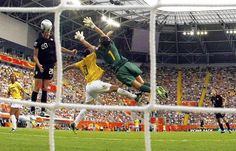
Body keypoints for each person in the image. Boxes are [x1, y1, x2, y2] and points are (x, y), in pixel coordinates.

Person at [74, 17, 168, 99]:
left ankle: (155, 90)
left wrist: (81, 39)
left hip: (120, 71)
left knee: (138, 86)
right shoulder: (111, 45)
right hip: (128, 64)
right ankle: (156, 87)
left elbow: (89, 46)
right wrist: (93, 26)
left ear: (100, 43)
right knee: (142, 83)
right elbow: (103, 34)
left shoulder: (99, 51)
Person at [63, 50, 142, 133]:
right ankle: (135, 97)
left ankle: (75, 123)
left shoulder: (80, 63)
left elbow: (70, 66)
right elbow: (96, 49)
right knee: (115, 88)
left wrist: (63, 70)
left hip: (88, 87)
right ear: (88, 54)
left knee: (87, 107)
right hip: (95, 83)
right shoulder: (89, 57)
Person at [30, 19, 77, 116]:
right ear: (43, 31)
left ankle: (43, 110)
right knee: (37, 87)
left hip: (50, 66)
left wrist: (70, 52)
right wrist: (39, 65)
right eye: (46, 32)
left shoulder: (53, 40)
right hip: (40, 65)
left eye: (49, 32)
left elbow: (60, 48)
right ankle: (32, 109)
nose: (48, 33)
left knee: (45, 88)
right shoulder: (38, 41)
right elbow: (35, 56)